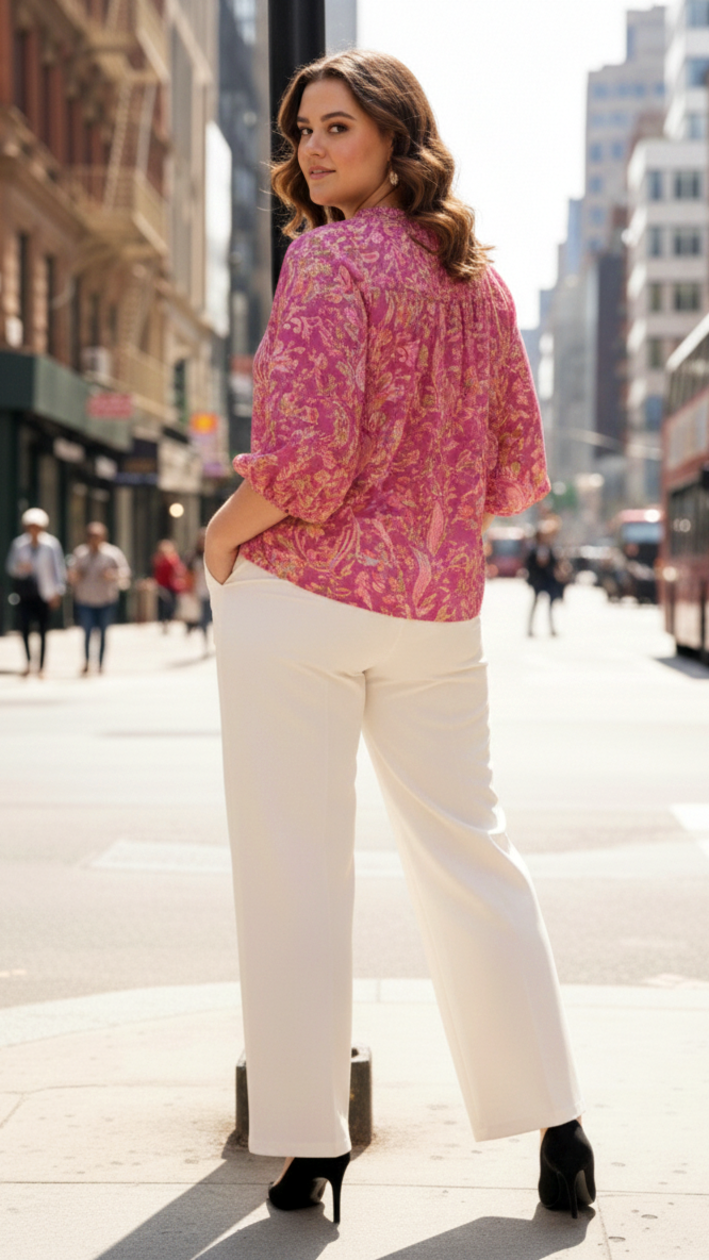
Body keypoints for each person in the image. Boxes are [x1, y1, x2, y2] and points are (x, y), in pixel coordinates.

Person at [205, 50, 594, 1227]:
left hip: (304, 606)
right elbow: (519, 472)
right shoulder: (483, 284)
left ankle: (311, 1150)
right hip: (438, 614)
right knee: (475, 860)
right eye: (303, 130)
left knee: (293, 872)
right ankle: (560, 1127)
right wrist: (421, 510)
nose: (314, 149)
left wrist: (225, 530)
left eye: (339, 127)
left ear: (394, 136)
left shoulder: (325, 261)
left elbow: (308, 463)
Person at [5, 508, 66, 677]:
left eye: (37, 526)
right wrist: (21, 568)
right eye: (30, 526)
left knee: (43, 630)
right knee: (24, 628)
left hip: (45, 593)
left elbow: (58, 569)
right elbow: (10, 567)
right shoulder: (19, 544)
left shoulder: (51, 544)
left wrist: (58, 592)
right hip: (25, 594)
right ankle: (28, 661)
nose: (34, 530)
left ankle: (41, 666)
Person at [67, 522, 131, 674]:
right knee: (87, 632)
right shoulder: (80, 553)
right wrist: (76, 576)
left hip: (106, 600)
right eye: (91, 536)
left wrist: (112, 575)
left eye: (97, 536)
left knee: (102, 632)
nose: (93, 539)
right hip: (85, 599)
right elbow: (70, 575)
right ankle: (87, 661)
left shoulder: (113, 553)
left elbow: (125, 573)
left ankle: (101, 663)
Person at [526, 524, 564, 638]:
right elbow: (529, 564)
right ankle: (530, 628)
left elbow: (555, 563)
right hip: (538, 581)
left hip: (548, 580)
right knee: (535, 604)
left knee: (550, 605)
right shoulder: (533, 550)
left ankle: (552, 628)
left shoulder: (550, 549)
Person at [182, 528, 212, 650]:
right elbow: (188, 575)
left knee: (211, 617)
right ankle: (205, 640)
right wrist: (189, 589)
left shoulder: (215, 552)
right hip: (200, 591)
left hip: (213, 590)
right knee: (203, 617)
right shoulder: (193, 557)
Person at [152, 540, 185, 632]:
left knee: (171, 605)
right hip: (162, 585)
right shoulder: (159, 559)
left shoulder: (174, 559)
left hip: (172, 585)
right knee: (163, 605)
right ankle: (163, 621)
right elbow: (156, 572)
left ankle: (168, 620)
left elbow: (179, 571)